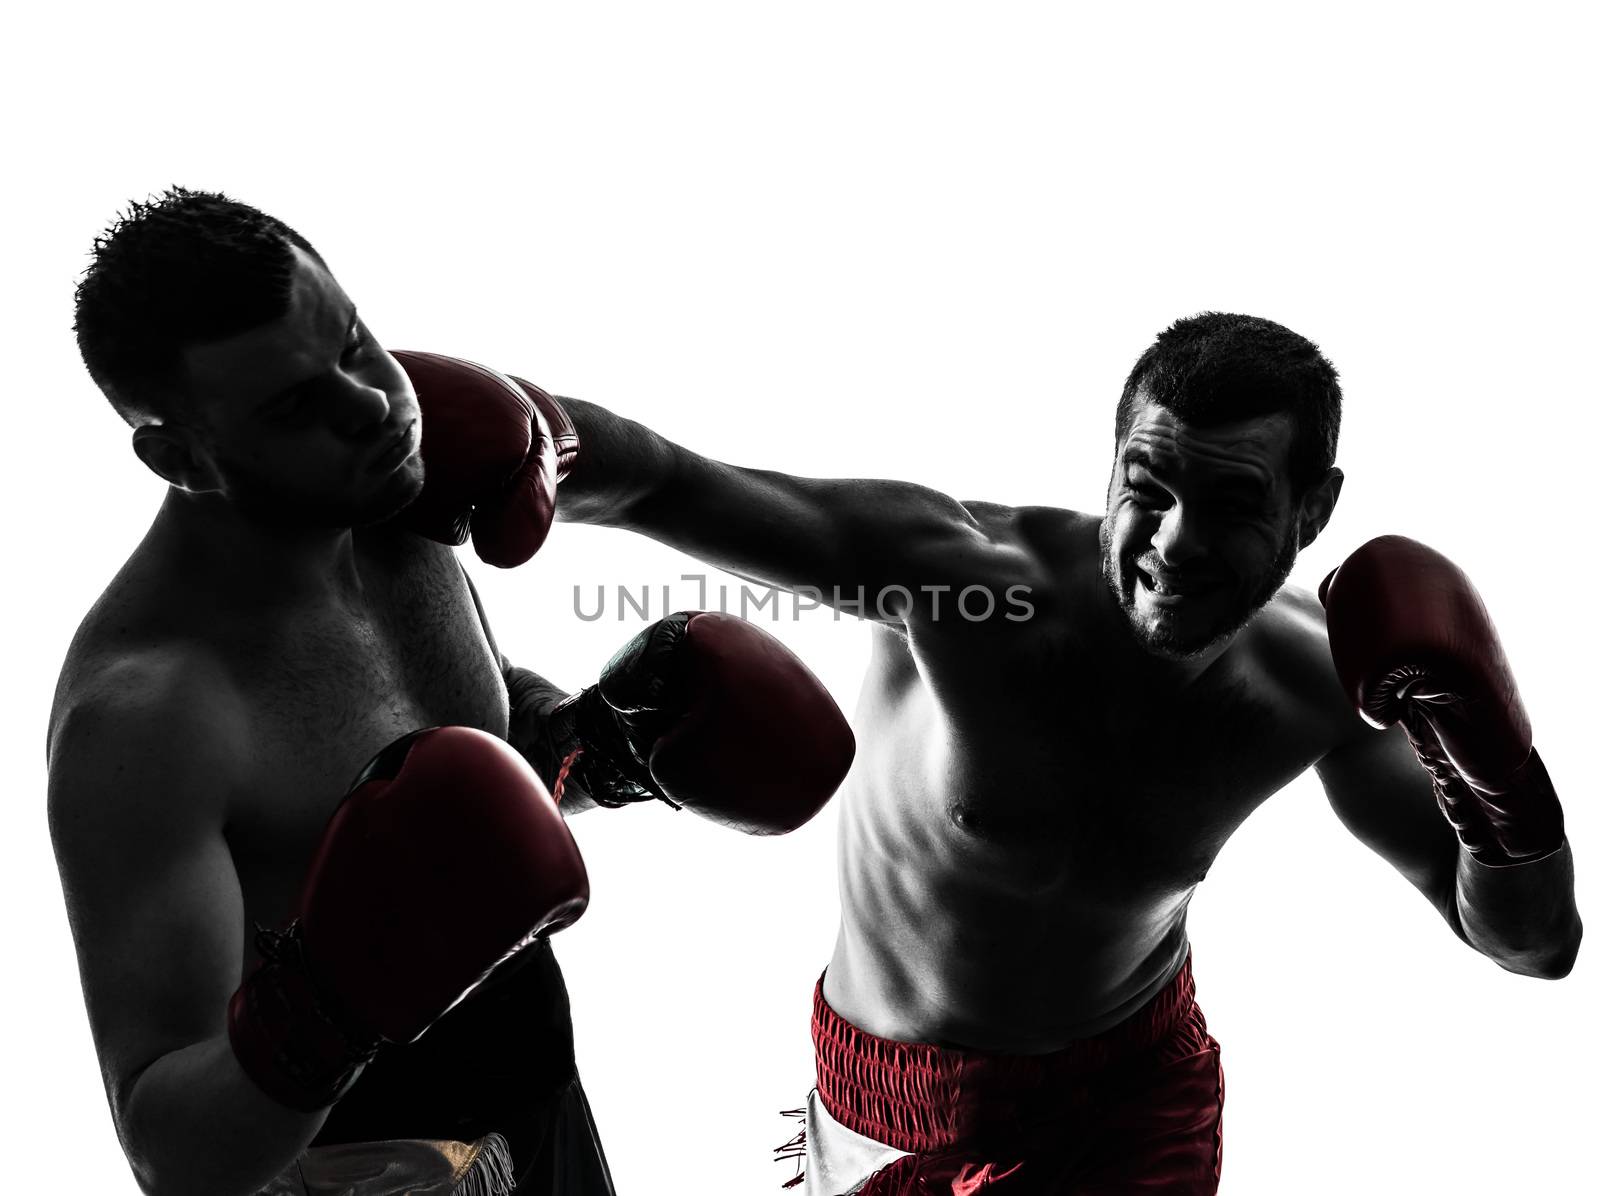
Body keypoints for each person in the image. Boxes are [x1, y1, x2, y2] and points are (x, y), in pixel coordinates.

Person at [411, 312, 1582, 1193]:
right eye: (1148, 486)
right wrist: (509, 438)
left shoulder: (1318, 681)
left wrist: (1498, 781)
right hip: (887, 1096)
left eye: (1230, 501)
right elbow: (664, 475)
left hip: (1131, 1098)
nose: (1175, 543)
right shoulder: (962, 585)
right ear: (1111, 465)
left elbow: (1527, 943)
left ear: (1313, 507)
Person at [47, 188, 854, 1196]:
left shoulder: (397, 495)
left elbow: (469, 772)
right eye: (296, 405)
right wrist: (328, 1003)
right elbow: (169, 1142)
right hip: (368, 1172)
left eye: (353, 342)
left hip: (543, 1103)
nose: (373, 407)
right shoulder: (150, 714)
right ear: (180, 455)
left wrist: (605, 744)